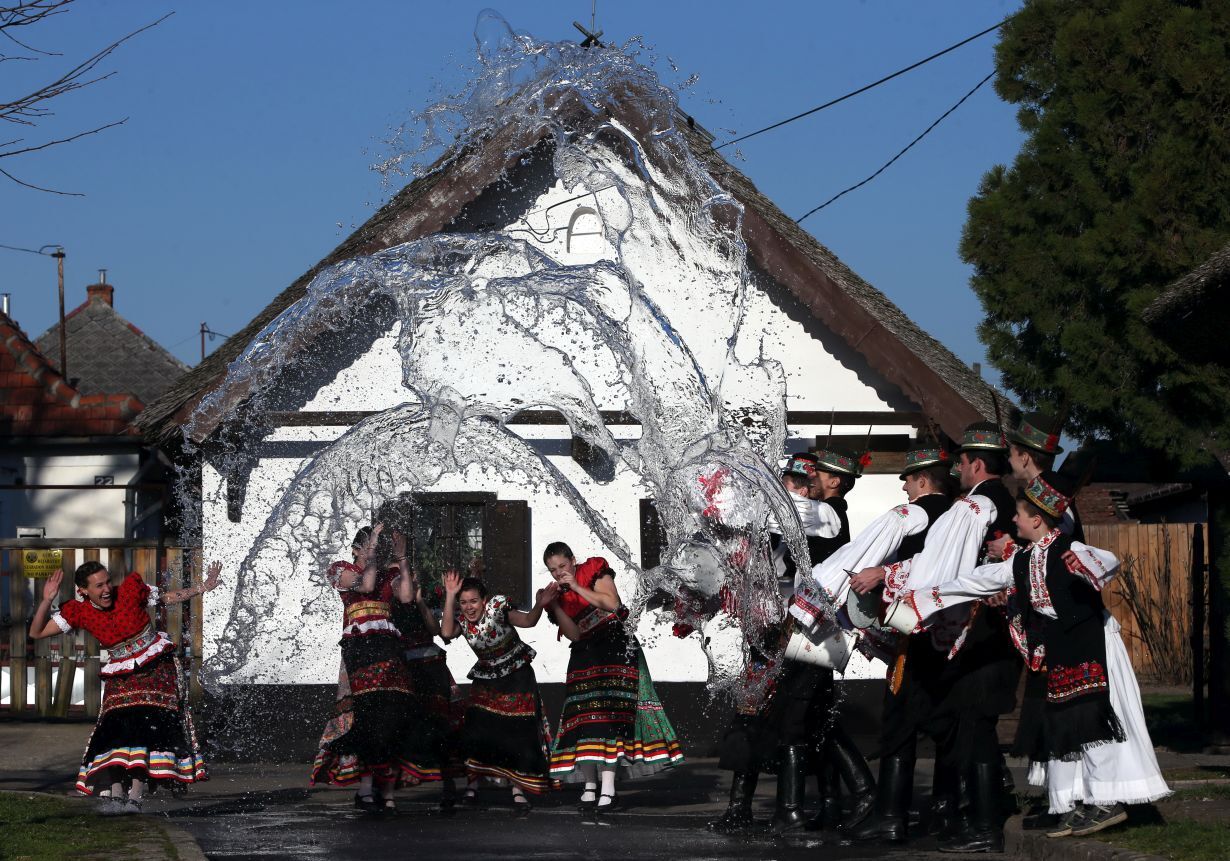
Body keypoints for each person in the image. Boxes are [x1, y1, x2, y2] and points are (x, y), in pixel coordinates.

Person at [904, 472, 1169, 839]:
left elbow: (1106, 563)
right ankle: (1071, 801)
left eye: (1019, 514)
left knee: (1093, 717)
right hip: (1064, 648)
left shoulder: (1066, 550)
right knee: (1064, 721)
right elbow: (977, 580)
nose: (1013, 520)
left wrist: (1084, 566)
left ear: (1037, 520)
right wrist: (923, 596)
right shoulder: (1025, 560)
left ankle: (1108, 799)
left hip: (1094, 645)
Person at [29, 561, 219, 813]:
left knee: (144, 725)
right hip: (121, 671)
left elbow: (166, 598)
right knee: (115, 726)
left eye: (108, 581)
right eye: (99, 586)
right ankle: (117, 791)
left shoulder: (130, 591)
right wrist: (46, 600)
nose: (107, 588)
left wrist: (201, 588)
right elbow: (37, 632)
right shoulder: (78, 612)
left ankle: (136, 796)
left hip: (155, 666)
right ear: (83, 591)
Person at [845, 442, 957, 843]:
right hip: (940, 631)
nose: (905, 488)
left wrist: (881, 573)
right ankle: (942, 810)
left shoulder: (921, 514)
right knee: (939, 720)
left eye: (908, 480)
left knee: (900, 720)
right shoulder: (955, 514)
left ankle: (892, 816)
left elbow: (924, 569)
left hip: (918, 630)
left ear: (923, 480)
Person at [310, 524, 442, 814]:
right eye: (370, 549)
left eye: (380, 551)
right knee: (367, 713)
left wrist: (403, 558)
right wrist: (371, 554)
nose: (376, 555)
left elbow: (407, 596)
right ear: (356, 549)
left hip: (388, 646)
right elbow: (365, 586)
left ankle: (386, 783)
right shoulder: (339, 568)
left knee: (394, 709)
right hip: (359, 647)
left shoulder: (388, 573)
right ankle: (367, 786)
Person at [543, 542, 683, 812]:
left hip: (614, 644)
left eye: (562, 566)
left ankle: (608, 789)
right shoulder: (556, 594)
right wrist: (554, 606)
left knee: (610, 717)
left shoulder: (593, 569)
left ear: (573, 560)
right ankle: (589, 786)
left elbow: (611, 603)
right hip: (584, 651)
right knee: (582, 718)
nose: (559, 573)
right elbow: (573, 634)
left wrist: (575, 586)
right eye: (553, 570)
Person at [441, 570, 559, 812]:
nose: (469, 607)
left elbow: (528, 621)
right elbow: (445, 633)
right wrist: (450, 595)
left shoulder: (497, 608)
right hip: (487, 678)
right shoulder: (461, 621)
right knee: (476, 728)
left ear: (484, 600)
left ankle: (517, 789)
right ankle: (473, 786)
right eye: (464, 603)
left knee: (517, 730)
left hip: (516, 675)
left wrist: (539, 605)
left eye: (473, 601)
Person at [388, 537, 467, 811]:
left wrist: (421, 603)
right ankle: (394, 786)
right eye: (397, 579)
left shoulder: (418, 603)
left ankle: (449, 785)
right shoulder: (388, 607)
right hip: (406, 671)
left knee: (441, 725)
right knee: (405, 726)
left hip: (431, 666)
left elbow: (436, 631)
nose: (404, 583)